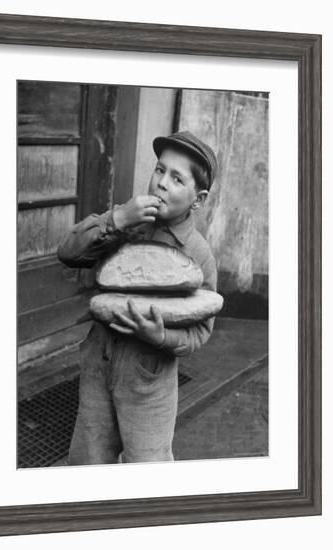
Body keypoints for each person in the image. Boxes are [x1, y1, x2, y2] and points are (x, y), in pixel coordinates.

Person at [57, 130, 218, 465]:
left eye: (177, 178)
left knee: (148, 466)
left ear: (198, 199)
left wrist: (162, 336)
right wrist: (115, 219)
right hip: (98, 365)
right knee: (88, 458)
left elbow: (200, 331)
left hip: (150, 378)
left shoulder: (199, 255)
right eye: (159, 170)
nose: (161, 183)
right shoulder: (124, 224)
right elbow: (68, 253)